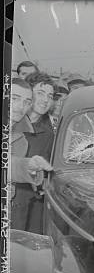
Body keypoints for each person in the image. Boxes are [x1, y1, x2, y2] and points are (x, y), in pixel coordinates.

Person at [12, 73, 57, 233]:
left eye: (50, 96)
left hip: (33, 204)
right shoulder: (12, 122)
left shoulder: (51, 133)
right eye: (40, 93)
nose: (46, 100)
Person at [9, 78, 53, 197]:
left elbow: (10, 166)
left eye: (27, 102)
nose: (20, 106)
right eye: (14, 98)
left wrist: (29, 166)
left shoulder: (21, 139)